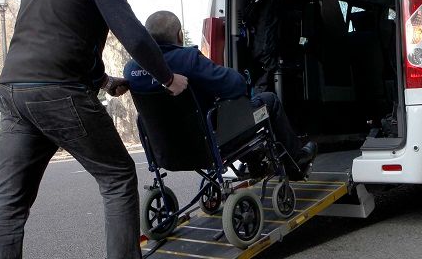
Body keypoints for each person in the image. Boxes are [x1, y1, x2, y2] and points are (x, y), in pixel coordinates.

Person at [0, 0, 188, 259]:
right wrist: (167, 77)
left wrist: (103, 80)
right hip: (57, 92)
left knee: (8, 200)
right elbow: (134, 35)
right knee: (117, 176)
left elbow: (63, 35)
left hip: (13, 90)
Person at [124, 11, 317, 176]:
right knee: (269, 101)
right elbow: (235, 85)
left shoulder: (131, 69)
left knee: (231, 116)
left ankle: (255, 163)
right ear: (180, 35)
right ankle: (296, 163)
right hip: (209, 145)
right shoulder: (188, 59)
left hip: (164, 153)